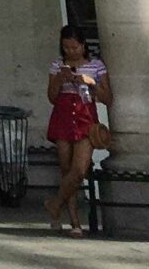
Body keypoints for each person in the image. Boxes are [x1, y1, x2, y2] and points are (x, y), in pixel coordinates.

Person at [41, 24, 108, 237]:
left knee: (79, 169)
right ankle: (74, 221)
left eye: (75, 47)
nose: (71, 51)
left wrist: (90, 83)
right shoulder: (57, 65)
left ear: (83, 45)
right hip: (63, 114)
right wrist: (61, 79)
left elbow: (108, 98)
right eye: (66, 47)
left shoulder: (96, 66)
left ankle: (55, 203)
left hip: (85, 116)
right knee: (66, 168)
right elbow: (52, 97)